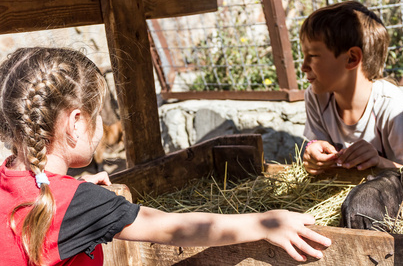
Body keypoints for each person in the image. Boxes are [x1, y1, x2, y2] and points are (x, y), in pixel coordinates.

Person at [0, 47, 331, 265]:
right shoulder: (81, 205)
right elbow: (175, 227)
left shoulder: (16, 181)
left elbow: (44, 198)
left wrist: (73, 187)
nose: (104, 123)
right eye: (98, 113)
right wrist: (265, 222)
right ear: (75, 123)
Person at [300, 1, 403, 175]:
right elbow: (319, 155)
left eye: (312, 56)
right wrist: (313, 156)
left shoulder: (392, 106)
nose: (303, 66)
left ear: (352, 58)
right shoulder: (316, 97)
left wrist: (379, 163)